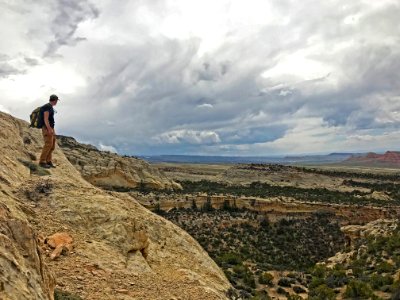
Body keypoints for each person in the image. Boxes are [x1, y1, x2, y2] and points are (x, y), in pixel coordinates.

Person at [39, 94, 59, 168]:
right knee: (48, 145)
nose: (57, 102)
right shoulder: (47, 106)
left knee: (52, 146)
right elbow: (45, 119)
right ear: (54, 100)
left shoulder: (50, 107)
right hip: (47, 128)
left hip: (51, 128)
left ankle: (48, 161)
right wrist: (49, 129)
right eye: (56, 100)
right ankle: (42, 161)